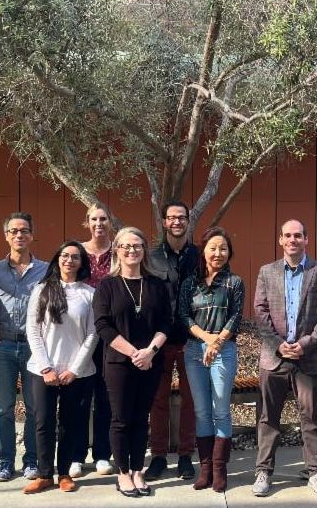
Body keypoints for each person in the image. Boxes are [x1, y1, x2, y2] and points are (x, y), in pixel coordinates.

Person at [251, 219, 317, 498]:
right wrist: (279, 345)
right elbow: (260, 311)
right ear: (280, 240)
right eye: (287, 235)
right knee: (268, 418)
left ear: (306, 240)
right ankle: (263, 472)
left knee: (312, 418)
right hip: (273, 359)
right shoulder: (267, 272)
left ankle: (315, 472)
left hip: (308, 358)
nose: (292, 240)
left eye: (298, 235)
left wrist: (305, 344)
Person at [94, 227, 172, 498]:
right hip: (118, 362)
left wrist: (149, 351)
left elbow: (166, 322)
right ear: (116, 249)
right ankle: (123, 472)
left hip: (150, 361)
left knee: (142, 417)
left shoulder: (156, 284)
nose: (132, 250)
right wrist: (133, 353)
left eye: (137, 245)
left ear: (144, 250)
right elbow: (103, 325)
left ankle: (138, 469)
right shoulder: (107, 285)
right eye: (126, 246)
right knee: (121, 419)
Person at [22, 242, 98, 494]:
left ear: (81, 263)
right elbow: (32, 330)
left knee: (70, 423)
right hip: (42, 370)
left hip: (77, 373)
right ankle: (45, 474)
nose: (69, 260)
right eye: (65, 255)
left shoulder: (89, 293)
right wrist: (46, 368)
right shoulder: (41, 289)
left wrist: (74, 370)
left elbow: (92, 335)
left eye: (75, 257)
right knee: (42, 421)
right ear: (57, 260)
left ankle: (64, 472)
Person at [178, 227, 245, 493]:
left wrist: (217, 343)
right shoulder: (189, 283)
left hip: (224, 351)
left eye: (223, 248)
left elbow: (235, 317)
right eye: (213, 248)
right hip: (194, 352)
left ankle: (219, 469)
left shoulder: (234, 282)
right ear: (203, 250)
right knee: (201, 411)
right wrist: (208, 339)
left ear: (229, 253)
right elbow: (184, 317)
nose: (218, 253)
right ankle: (205, 469)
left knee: (220, 411)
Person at [0, 212, 48, 482]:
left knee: (35, 407)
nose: (19, 235)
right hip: (4, 346)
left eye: (24, 230)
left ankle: (32, 461)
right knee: (4, 408)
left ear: (32, 235)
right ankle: (5, 462)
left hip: (35, 348)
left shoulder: (46, 270)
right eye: (14, 231)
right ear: (6, 236)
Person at [146, 201, 199, 481]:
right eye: (172, 218)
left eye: (182, 217)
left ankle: (185, 456)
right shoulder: (151, 258)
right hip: (160, 340)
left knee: (190, 400)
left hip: (192, 340)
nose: (177, 222)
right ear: (164, 222)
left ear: (188, 221)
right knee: (159, 400)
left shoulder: (200, 257)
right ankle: (157, 457)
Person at [70, 202, 115, 478]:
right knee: (79, 396)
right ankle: (75, 454)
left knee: (105, 396)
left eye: (103, 218)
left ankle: (102, 454)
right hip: (80, 334)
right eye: (94, 219)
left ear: (110, 222)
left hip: (111, 334)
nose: (99, 223)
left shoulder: (118, 252)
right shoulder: (77, 252)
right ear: (87, 222)